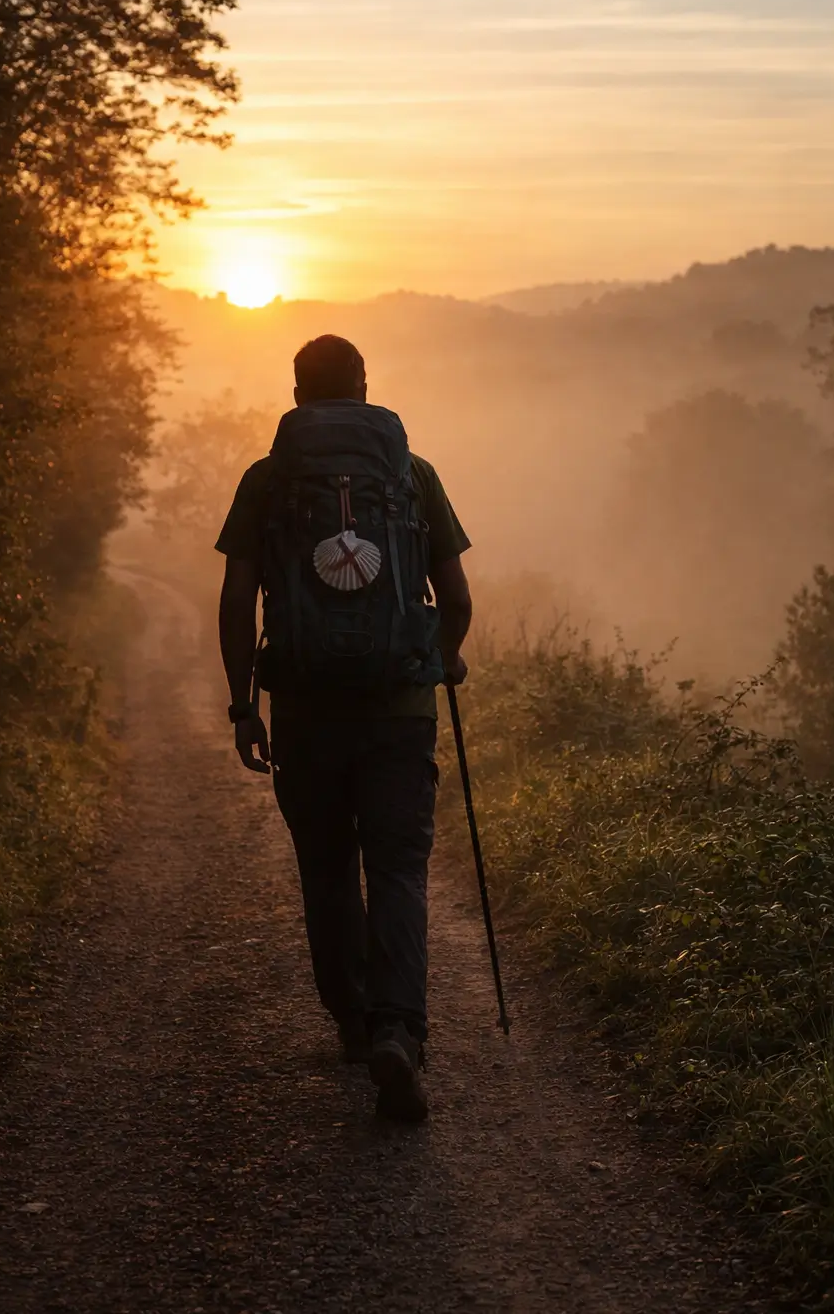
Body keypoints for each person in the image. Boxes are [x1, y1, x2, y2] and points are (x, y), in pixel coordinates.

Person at [216, 334, 473, 1123]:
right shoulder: (412, 474)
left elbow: (237, 600)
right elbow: (457, 598)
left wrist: (243, 704)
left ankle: (355, 1023)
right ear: (364, 388)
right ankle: (399, 1028)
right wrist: (444, 659)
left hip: (305, 713)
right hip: (398, 711)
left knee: (327, 870)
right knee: (397, 871)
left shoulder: (266, 480)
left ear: (297, 395)